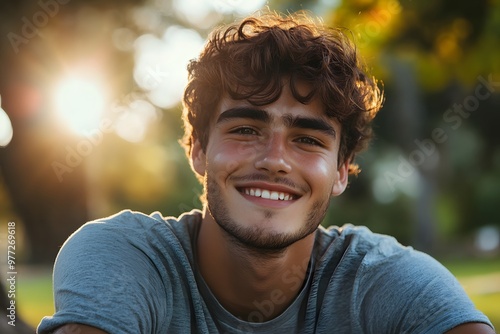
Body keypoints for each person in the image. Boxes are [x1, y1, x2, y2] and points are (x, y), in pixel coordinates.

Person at [38, 11, 495, 334]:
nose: (275, 159)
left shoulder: (382, 280)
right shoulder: (123, 258)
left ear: (341, 170)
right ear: (197, 149)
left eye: (308, 139)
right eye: (245, 128)